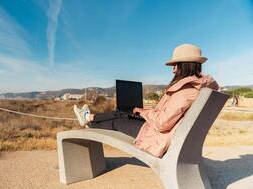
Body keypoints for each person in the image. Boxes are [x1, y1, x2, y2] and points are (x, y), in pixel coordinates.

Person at [73, 44, 219, 158]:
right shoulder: (199, 87)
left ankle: (90, 122)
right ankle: (89, 118)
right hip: (166, 134)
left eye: (175, 65)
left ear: (185, 65)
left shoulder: (187, 90)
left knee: (117, 121)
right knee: (123, 113)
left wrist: (145, 112)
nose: (173, 70)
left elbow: (162, 123)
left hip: (159, 137)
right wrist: (147, 112)